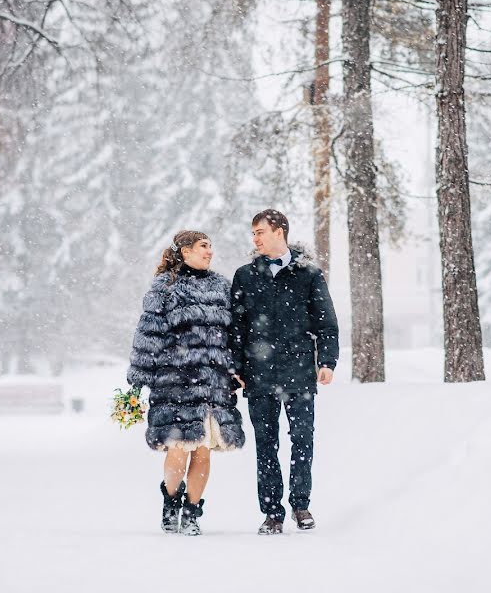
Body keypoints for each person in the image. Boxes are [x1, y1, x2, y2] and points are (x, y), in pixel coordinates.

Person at [127, 230, 245, 536]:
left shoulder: (222, 286)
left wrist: (236, 369)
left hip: (213, 383)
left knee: (203, 449)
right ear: (185, 251)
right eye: (203, 247)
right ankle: (171, 503)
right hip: (176, 382)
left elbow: (233, 336)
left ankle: (192, 513)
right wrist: (137, 382)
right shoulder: (165, 288)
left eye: (210, 247)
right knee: (179, 447)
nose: (209, 252)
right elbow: (147, 336)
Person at [229, 209, 339, 535]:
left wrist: (327, 361)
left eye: (260, 232)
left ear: (279, 231)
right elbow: (235, 327)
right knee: (266, 443)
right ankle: (272, 512)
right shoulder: (245, 276)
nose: (255, 238)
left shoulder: (309, 275)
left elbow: (326, 323)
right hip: (258, 375)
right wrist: (236, 367)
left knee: (303, 439)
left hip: (299, 372)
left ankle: (301, 504)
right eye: (253, 234)